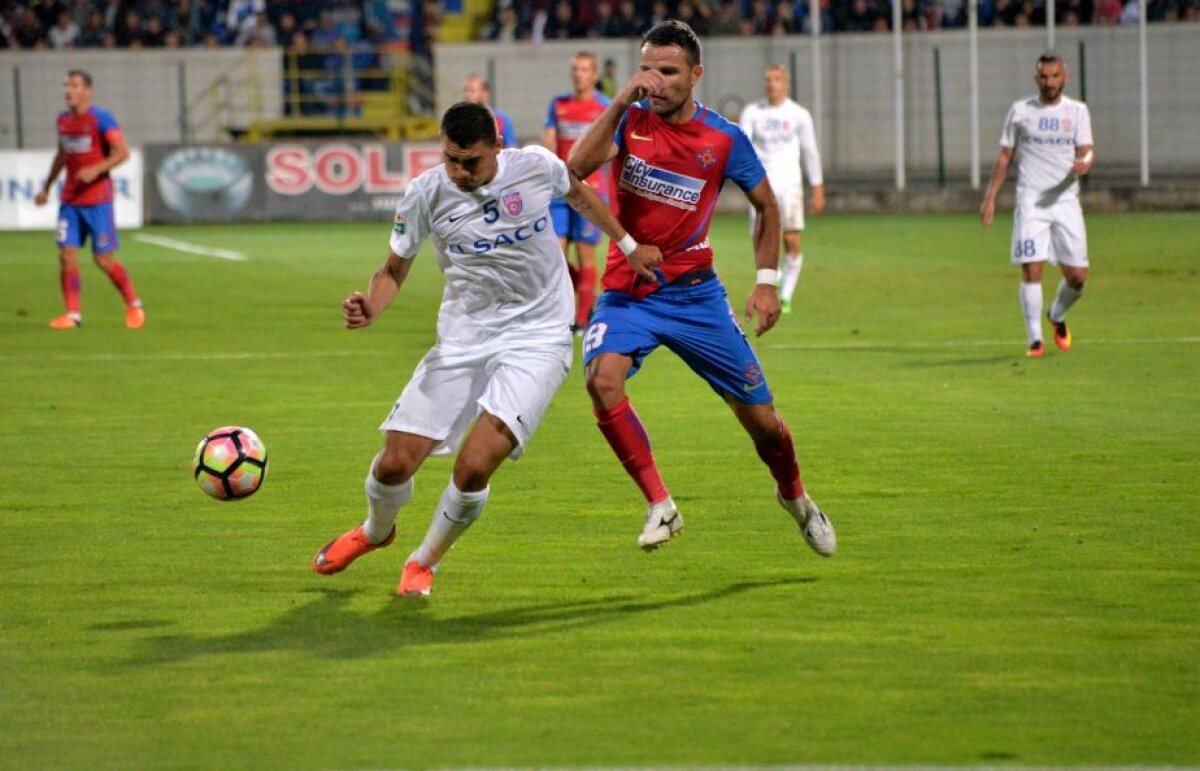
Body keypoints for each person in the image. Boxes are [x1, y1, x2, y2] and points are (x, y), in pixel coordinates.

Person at [311, 101, 649, 596]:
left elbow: (579, 195)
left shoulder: (535, 167)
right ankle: (375, 531)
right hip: (464, 337)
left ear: (498, 147)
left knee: (472, 466)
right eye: (451, 159)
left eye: (472, 161)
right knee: (394, 463)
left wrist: (627, 245)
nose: (460, 172)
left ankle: (424, 561)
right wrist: (372, 307)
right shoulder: (426, 193)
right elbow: (393, 270)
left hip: (537, 337)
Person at [567, 21, 836, 557]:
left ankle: (797, 498)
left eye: (668, 72)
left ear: (695, 75)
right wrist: (621, 100)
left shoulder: (724, 137)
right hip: (630, 291)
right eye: (648, 70)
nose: (656, 82)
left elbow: (767, 206)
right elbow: (575, 168)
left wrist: (765, 282)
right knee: (602, 379)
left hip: (695, 296)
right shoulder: (631, 121)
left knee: (762, 422)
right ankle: (661, 505)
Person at [980, 53, 1094, 358]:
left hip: (1066, 202)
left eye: (1055, 76)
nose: (1049, 82)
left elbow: (1086, 150)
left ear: (1064, 77)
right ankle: (1035, 340)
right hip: (1031, 202)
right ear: (1036, 79)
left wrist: (1084, 162)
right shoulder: (1020, 112)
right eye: (1044, 77)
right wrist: (990, 197)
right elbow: (1005, 156)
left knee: (1078, 277)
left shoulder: (1077, 111)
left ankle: (1055, 314)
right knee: (1032, 269)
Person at [34, 70, 144, 330]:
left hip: (98, 200)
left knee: (103, 259)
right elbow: (62, 156)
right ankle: (73, 314)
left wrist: (96, 170)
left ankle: (134, 304)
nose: (67, 91)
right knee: (66, 254)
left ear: (87, 91)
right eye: (66, 86)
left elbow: (122, 152)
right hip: (70, 200)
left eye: (73, 85)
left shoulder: (101, 119)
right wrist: (47, 187)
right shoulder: (63, 120)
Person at [739, 65, 825, 316]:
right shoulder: (753, 112)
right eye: (768, 79)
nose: (771, 84)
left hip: (790, 186)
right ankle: (769, 285)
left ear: (785, 83)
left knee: (791, 240)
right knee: (762, 240)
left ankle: (786, 294)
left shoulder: (799, 114)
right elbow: (742, 145)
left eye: (776, 79)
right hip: (761, 188)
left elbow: (810, 151)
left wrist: (817, 187)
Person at [543, 51, 612, 334]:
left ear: (594, 75)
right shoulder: (558, 105)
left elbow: (611, 150)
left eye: (584, 69)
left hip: (590, 192)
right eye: (575, 69)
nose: (578, 74)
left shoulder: (605, 107)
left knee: (585, 257)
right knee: (553, 255)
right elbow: (549, 141)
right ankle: (586, 301)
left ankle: (581, 319)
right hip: (559, 191)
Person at [462, 74, 518, 148]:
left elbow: (511, 148)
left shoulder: (501, 119)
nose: (467, 95)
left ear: (485, 93)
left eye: (472, 91)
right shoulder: (459, 119)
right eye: (466, 90)